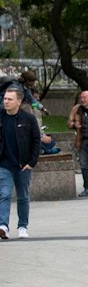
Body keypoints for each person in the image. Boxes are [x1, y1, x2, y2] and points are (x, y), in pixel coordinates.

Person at [0, 84, 41, 241]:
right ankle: (3, 226)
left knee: (23, 196)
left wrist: (32, 162)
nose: (6, 102)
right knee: (4, 194)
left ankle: (22, 226)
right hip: (4, 164)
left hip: (23, 165)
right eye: (5, 99)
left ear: (19, 101)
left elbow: (36, 141)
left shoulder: (28, 119)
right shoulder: (1, 117)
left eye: (10, 99)